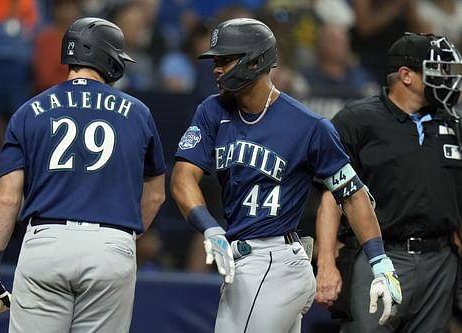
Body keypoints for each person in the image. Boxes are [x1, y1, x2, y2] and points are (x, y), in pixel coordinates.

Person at [170, 17, 402, 333]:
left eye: (226, 59)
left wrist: (380, 262)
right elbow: (183, 176)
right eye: (215, 60)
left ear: (256, 61)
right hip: (248, 262)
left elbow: (352, 194)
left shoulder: (308, 126)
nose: (217, 68)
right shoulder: (212, 111)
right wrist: (209, 228)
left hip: (273, 263)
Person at [0, 17, 166, 333]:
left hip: (46, 243)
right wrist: (122, 239)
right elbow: (156, 193)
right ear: (108, 59)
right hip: (110, 246)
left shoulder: (28, 110)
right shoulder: (138, 112)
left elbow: (6, 198)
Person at [315, 32, 462, 333]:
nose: (447, 79)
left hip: (440, 259)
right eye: (437, 70)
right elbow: (332, 198)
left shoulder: (453, 122)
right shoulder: (358, 119)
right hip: (379, 256)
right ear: (406, 75)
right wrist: (327, 264)